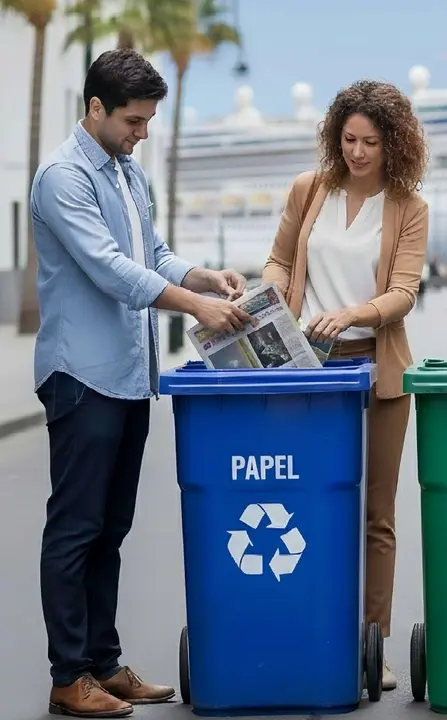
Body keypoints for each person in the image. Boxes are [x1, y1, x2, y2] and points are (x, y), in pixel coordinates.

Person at [31, 49, 251, 718]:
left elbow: (150, 255)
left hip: (129, 379)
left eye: (149, 121)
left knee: (111, 530)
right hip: (81, 376)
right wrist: (196, 309)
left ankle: (103, 662)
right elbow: (109, 271)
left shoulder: (128, 173)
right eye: (133, 120)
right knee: (75, 530)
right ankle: (69, 676)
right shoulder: (61, 179)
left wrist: (202, 277)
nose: (142, 133)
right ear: (94, 109)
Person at [261, 79, 429, 692]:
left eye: (371, 142)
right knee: (309, 504)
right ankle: (312, 630)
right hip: (309, 369)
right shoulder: (310, 190)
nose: (357, 152)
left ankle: (372, 645)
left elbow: (403, 293)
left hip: (377, 371)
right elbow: (280, 258)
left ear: (394, 145)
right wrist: (276, 286)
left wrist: (353, 313)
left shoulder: (408, 207)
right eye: (349, 139)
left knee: (375, 516)